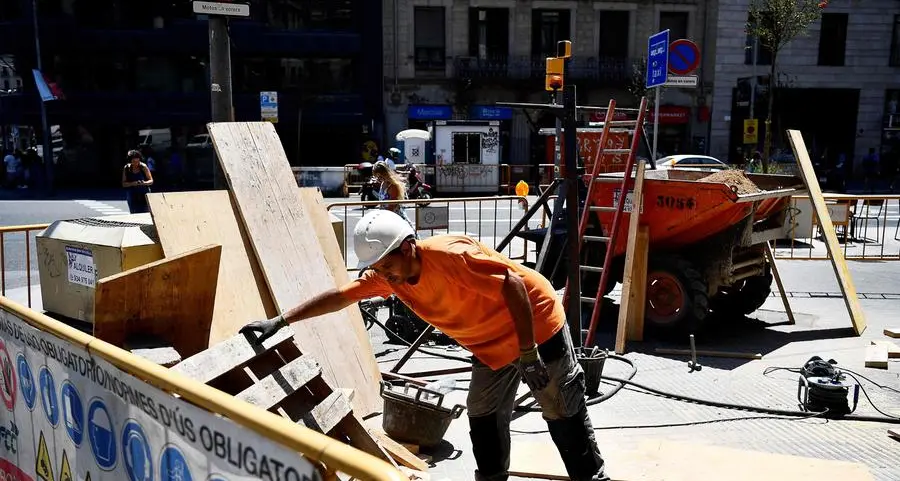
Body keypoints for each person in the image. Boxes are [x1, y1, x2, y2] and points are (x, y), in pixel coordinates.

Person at [240, 210, 609, 481]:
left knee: (560, 406)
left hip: (534, 322)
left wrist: (528, 352)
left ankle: (591, 478)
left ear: (408, 247)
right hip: (488, 342)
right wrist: (281, 320)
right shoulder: (392, 277)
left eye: (386, 267)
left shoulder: (449, 257)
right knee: (482, 412)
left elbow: (512, 283)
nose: (382, 277)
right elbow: (340, 296)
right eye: (378, 271)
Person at [373, 160, 412, 226]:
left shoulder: (392, 186)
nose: (378, 178)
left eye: (379, 176)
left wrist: (382, 218)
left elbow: (392, 206)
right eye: (376, 176)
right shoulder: (383, 184)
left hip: (395, 219)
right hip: (386, 217)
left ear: (385, 173)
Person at [122, 149, 154, 213]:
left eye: (137, 161)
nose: (136, 163)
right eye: (134, 162)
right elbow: (124, 184)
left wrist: (143, 183)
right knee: (134, 212)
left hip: (144, 192)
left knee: (146, 211)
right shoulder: (127, 168)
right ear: (130, 161)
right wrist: (133, 183)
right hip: (132, 193)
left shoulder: (143, 167)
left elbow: (151, 181)